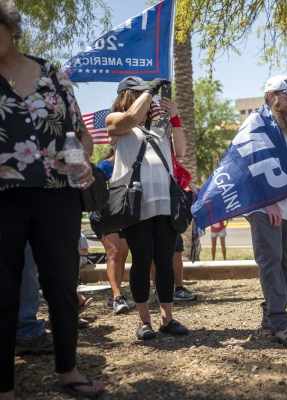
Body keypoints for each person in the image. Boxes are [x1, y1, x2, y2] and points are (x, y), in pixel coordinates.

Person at [0, 1, 105, 397]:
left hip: (58, 197)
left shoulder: (51, 73)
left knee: (62, 284)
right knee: (4, 289)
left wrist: (82, 163)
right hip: (3, 201)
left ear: (12, 28)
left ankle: (69, 371)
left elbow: (78, 133)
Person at [106, 76, 188, 340]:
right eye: (143, 95)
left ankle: (168, 319)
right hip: (135, 205)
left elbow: (183, 150)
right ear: (130, 97)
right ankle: (144, 321)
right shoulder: (116, 123)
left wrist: (174, 117)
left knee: (164, 261)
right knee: (141, 261)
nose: (151, 101)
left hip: (164, 203)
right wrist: (151, 90)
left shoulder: (159, 128)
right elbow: (131, 119)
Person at [246, 75, 287, 345]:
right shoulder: (255, 121)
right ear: (271, 96)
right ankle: (280, 323)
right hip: (266, 207)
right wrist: (265, 201)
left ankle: (272, 313)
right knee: (271, 261)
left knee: (282, 262)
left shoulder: (285, 125)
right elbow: (249, 163)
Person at [93, 149, 136, 314]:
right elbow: (97, 192)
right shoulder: (102, 167)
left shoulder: (129, 167)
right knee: (115, 252)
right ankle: (117, 296)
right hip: (103, 215)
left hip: (121, 216)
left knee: (123, 253)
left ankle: (114, 297)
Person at [151, 233, 198, 302]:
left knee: (177, 251)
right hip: (150, 223)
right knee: (154, 253)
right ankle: (158, 292)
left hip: (171, 223)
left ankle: (179, 289)